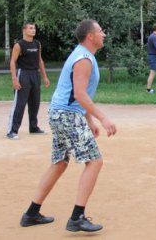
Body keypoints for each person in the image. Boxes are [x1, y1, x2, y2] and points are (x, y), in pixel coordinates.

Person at [19, 19, 117, 232]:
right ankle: (77, 218)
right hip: (66, 115)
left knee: (60, 162)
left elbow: (78, 94)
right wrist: (103, 118)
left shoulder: (83, 55)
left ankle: (31, 213)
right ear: (90, 36)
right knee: (94, 161)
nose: (104, 35)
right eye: (101, 31)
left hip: (62, 113)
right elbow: (80, 94)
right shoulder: (84, 59)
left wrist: (88, 120)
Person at [6, 23, 50, 140]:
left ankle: (33, 127)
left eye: (34, 28)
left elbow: (40, 60)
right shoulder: (19, 45)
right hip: (23, 74)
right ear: (24, 30)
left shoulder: (37, 44)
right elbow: (12, 62)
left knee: (35, 103)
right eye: (30, 28)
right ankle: (12, 130)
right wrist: (14, 78)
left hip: (35, 74)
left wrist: (45, 76)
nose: (33, 30)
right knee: (20, 104)